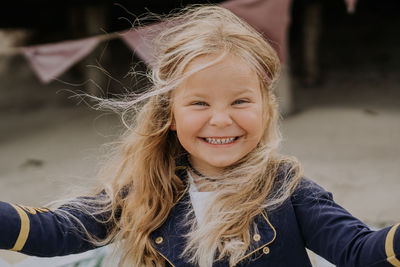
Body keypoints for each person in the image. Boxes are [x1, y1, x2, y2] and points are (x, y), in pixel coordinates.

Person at [0, 5, 399, 267]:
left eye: (240, 101)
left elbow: (360, 252)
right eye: (200, 104)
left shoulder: (288, 191)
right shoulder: (145, 191)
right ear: (169, 114)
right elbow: (49, 232)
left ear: (266, 108)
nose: (221, 120)